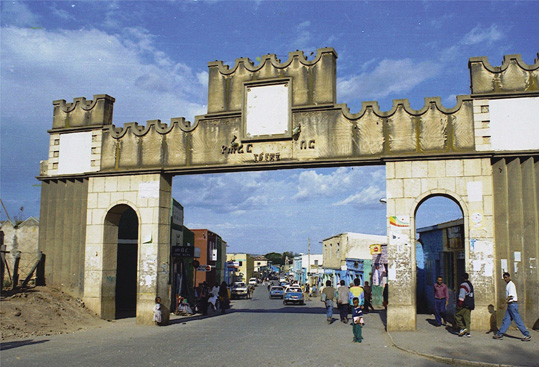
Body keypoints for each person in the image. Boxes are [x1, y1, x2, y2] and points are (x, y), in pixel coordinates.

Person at [493, 273, 531, 341]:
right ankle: (500, 334)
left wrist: (504, 304)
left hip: (513, 305)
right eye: (504, 277)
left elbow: (510, 295)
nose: (505, 279)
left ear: (509, 277)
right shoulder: (508, 285)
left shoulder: (511, 285)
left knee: (517, 320)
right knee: (506, 320)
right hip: (510, 305)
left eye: (506, 277)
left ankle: (526, 334)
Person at [455, 273, 474, 337]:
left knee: (457, 315)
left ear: (462, 278)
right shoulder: (470, 284)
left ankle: (462, 328)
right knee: (467, 318)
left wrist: (459, 304)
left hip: (464, 304)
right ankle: (468, 332)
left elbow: (462, 296)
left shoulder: (463, 285)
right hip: (470, 303)